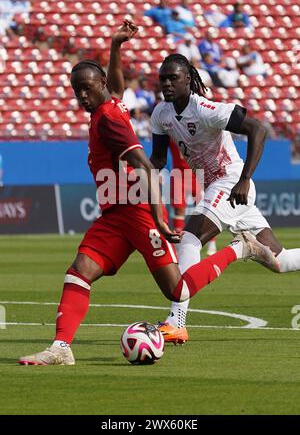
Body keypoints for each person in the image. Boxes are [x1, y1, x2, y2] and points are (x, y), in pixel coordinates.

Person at [18, 22, 272, 365]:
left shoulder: (109, 120)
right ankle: (61, 348)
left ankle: (241, 248)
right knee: (79, 270)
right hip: (114, 215)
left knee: (177, 290)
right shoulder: (111, 106)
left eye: (86, 89)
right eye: (76, 89)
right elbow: (116, 88)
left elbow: (146, 167)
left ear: (99, 87)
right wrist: (115, 47)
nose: (81, 96)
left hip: (137, 213)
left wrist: (156, 219)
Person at [150, 53, 300, 344]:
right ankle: (248, 248)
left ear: (188, 79)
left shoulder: (206, 109)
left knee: (190, 239)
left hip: (230, 183)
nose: (167, 84)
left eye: (173, 78)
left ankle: (176, 321)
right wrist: (137, 170)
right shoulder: (161, 114)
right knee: (279, 261)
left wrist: (244, 179)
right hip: (218, 188)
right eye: (162, 79)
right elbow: (157, 159)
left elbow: (258, 128)